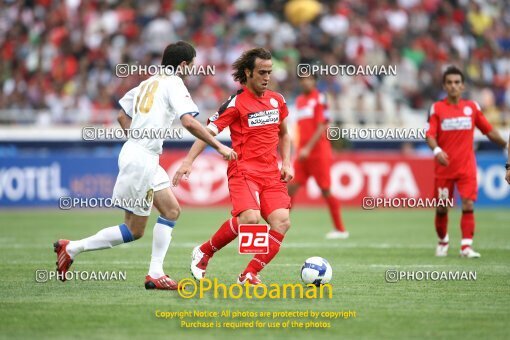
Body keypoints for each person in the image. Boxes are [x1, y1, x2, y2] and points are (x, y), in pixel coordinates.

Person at [54, 41, 236, 289]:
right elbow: (189, 123)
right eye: (191, 66)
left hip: (140, 154)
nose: (192, 70)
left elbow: (121, 115)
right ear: (182, 65)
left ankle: (155, 273)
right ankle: (72, 248)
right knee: (134, 229)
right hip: (142, 158)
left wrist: (137, 140)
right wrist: (220, 146)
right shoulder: (174, 83)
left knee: (171, 210)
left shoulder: (147, 83)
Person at [173, 47, 293, 285]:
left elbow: (285, 134)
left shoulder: (277, 100)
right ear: (248, 73)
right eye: (261, 72)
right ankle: (204, 252)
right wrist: (188, 161)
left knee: (282, 221)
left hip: (271, 173)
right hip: (243, 171)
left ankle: (249, 274)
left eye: (269, 72)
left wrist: (287, 162)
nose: (267, 77)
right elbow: (207, 132)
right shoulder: (236, 103)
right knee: (250, 219)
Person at [425, 66, 507, 258]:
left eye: (457, 82)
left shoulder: (472, 108)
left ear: (463, 86)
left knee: (468, 204)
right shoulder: (437, 108)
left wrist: (505, 144)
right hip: (444, 168)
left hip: (466, 167)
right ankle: (443, 240)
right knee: (442, 207)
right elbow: (429, 134)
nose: (453, 86)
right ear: (444, 86)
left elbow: (488, 130)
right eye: (449, 83)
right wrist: (437, 150)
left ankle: (466, 247)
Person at [287, 73, 348, 239]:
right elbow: (300, 128)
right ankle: (280, 225)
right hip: (302, 153)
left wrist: (307, 148)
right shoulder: (299, 101)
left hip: (318, 152)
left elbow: (322, 126)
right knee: (290, 187)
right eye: (302, 79)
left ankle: (340, 230)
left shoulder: (320, 98)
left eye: (308, 79)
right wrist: (299, 148)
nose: (305, 82)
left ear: (314, 81)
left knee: (325, 190)